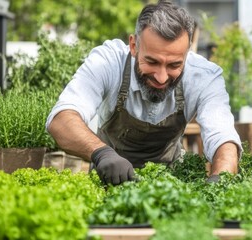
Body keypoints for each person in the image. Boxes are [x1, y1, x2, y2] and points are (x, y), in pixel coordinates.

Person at [46, 0, 241, 185]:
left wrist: (220, 180)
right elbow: (62, 119)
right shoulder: (108, 62)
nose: (162, 77)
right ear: (133, 45)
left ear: (187, 53)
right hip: (108, 182)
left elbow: (222, 136)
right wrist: (101, 154)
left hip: (173, 186)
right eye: (152, 62)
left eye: (174, 65)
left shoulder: (204, 76)